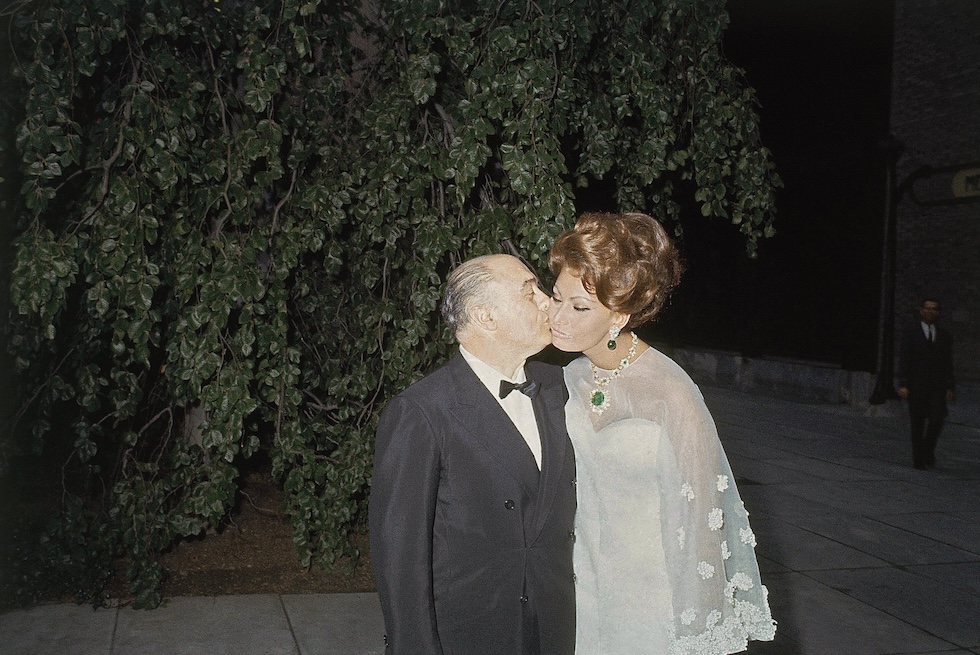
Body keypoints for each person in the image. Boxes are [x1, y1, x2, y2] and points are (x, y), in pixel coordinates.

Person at [547, 211, 776, 655]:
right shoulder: (573, 376)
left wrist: (697, 632)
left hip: (651, 597)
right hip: (581, 586)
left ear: (620, 315)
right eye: (556, 297)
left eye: (578, 307)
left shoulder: (671, 394)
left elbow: (703, 525)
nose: (557, 317)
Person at [369, 254, 577, 655]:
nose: (547, 301)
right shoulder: (422, 411)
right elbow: (399, 554)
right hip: (471, 633)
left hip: (557, 625)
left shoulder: (559, 387)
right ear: (485, 317)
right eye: (528, 292)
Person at [896, 298, 955, 470]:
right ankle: (918, 459)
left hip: (937, 386)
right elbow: (905, 359)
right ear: (921, 311)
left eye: (934, 309)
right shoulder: (911, 332)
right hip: (916, 385)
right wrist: (903, 383)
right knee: (918, 422)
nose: (930, 312)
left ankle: (927, 449)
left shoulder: (944, 335)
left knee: (937, 419)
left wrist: (950, 386)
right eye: (927, 308)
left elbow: (947, 362)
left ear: (938, 312)